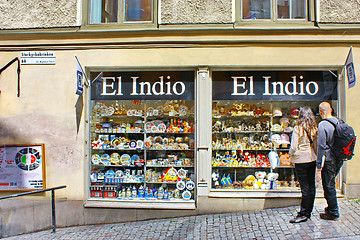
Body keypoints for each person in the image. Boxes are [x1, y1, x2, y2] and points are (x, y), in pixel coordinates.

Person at [289, 106, 318, 223]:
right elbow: (315, 145)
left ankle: (303, 213)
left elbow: (294, 146)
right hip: (312, 158)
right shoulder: (314, 128)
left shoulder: (298, 128)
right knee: (311, 186)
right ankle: (308, 211)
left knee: (304, 187)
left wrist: (291, 156)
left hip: (301, 159)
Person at [317, 101, 343, 220]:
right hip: (339, 158)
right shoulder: (339, 121)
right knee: (331, 184)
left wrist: (318, 163)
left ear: (321, 112)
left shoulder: (323, 125)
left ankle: (333, 212)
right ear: (331, 110)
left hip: (329, 160)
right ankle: (330, 207)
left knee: (328, 186)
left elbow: (321, 146)